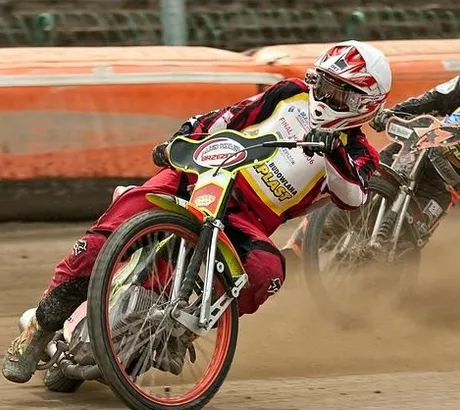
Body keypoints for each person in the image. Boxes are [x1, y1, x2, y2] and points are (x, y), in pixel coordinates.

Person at [2, 40, 392, 383]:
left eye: (339, 93)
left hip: (245, 220)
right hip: (196, 177)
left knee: (267, 273)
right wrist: (183, 136)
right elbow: (230, 116)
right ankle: (38, 330)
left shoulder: (358, 153)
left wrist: (333, 147)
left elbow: (353, 196)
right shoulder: (288, 94)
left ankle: (180, 330)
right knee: (100, 239)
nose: (323, 96)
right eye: (322, 83)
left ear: (364, 103)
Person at [282, 75, 460, 258]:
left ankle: (376, 281)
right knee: (354, 191)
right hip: (414, 146)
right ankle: (295, 252)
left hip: (445, 182)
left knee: (405, 241)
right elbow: (436, 97)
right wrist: (394, 112)